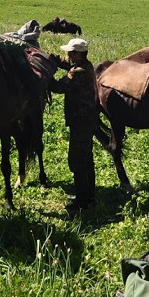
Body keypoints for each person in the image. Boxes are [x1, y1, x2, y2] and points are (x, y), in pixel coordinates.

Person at [49, 37, 99, 212]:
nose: (68, 55)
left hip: (80, 120)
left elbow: (58, 87)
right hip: (87, 119)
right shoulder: (87, 65)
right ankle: (88, 194)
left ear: (78, 54)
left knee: (77, 159)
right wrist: (57, 61)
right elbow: (70, 66)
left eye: (71, 53)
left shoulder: (77, 72)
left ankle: (82, 201)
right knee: (86, 158)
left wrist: (44, 75)